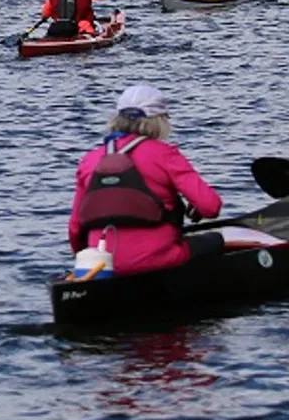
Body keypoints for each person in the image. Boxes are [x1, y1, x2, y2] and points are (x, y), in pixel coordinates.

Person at [69, 84, 224, 276]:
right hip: (160, 259)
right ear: (159, 120)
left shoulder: (89, 160)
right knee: (217, 240)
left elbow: (75, 229)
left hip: (102, 265)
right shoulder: (165, 154)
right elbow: (211, 207)